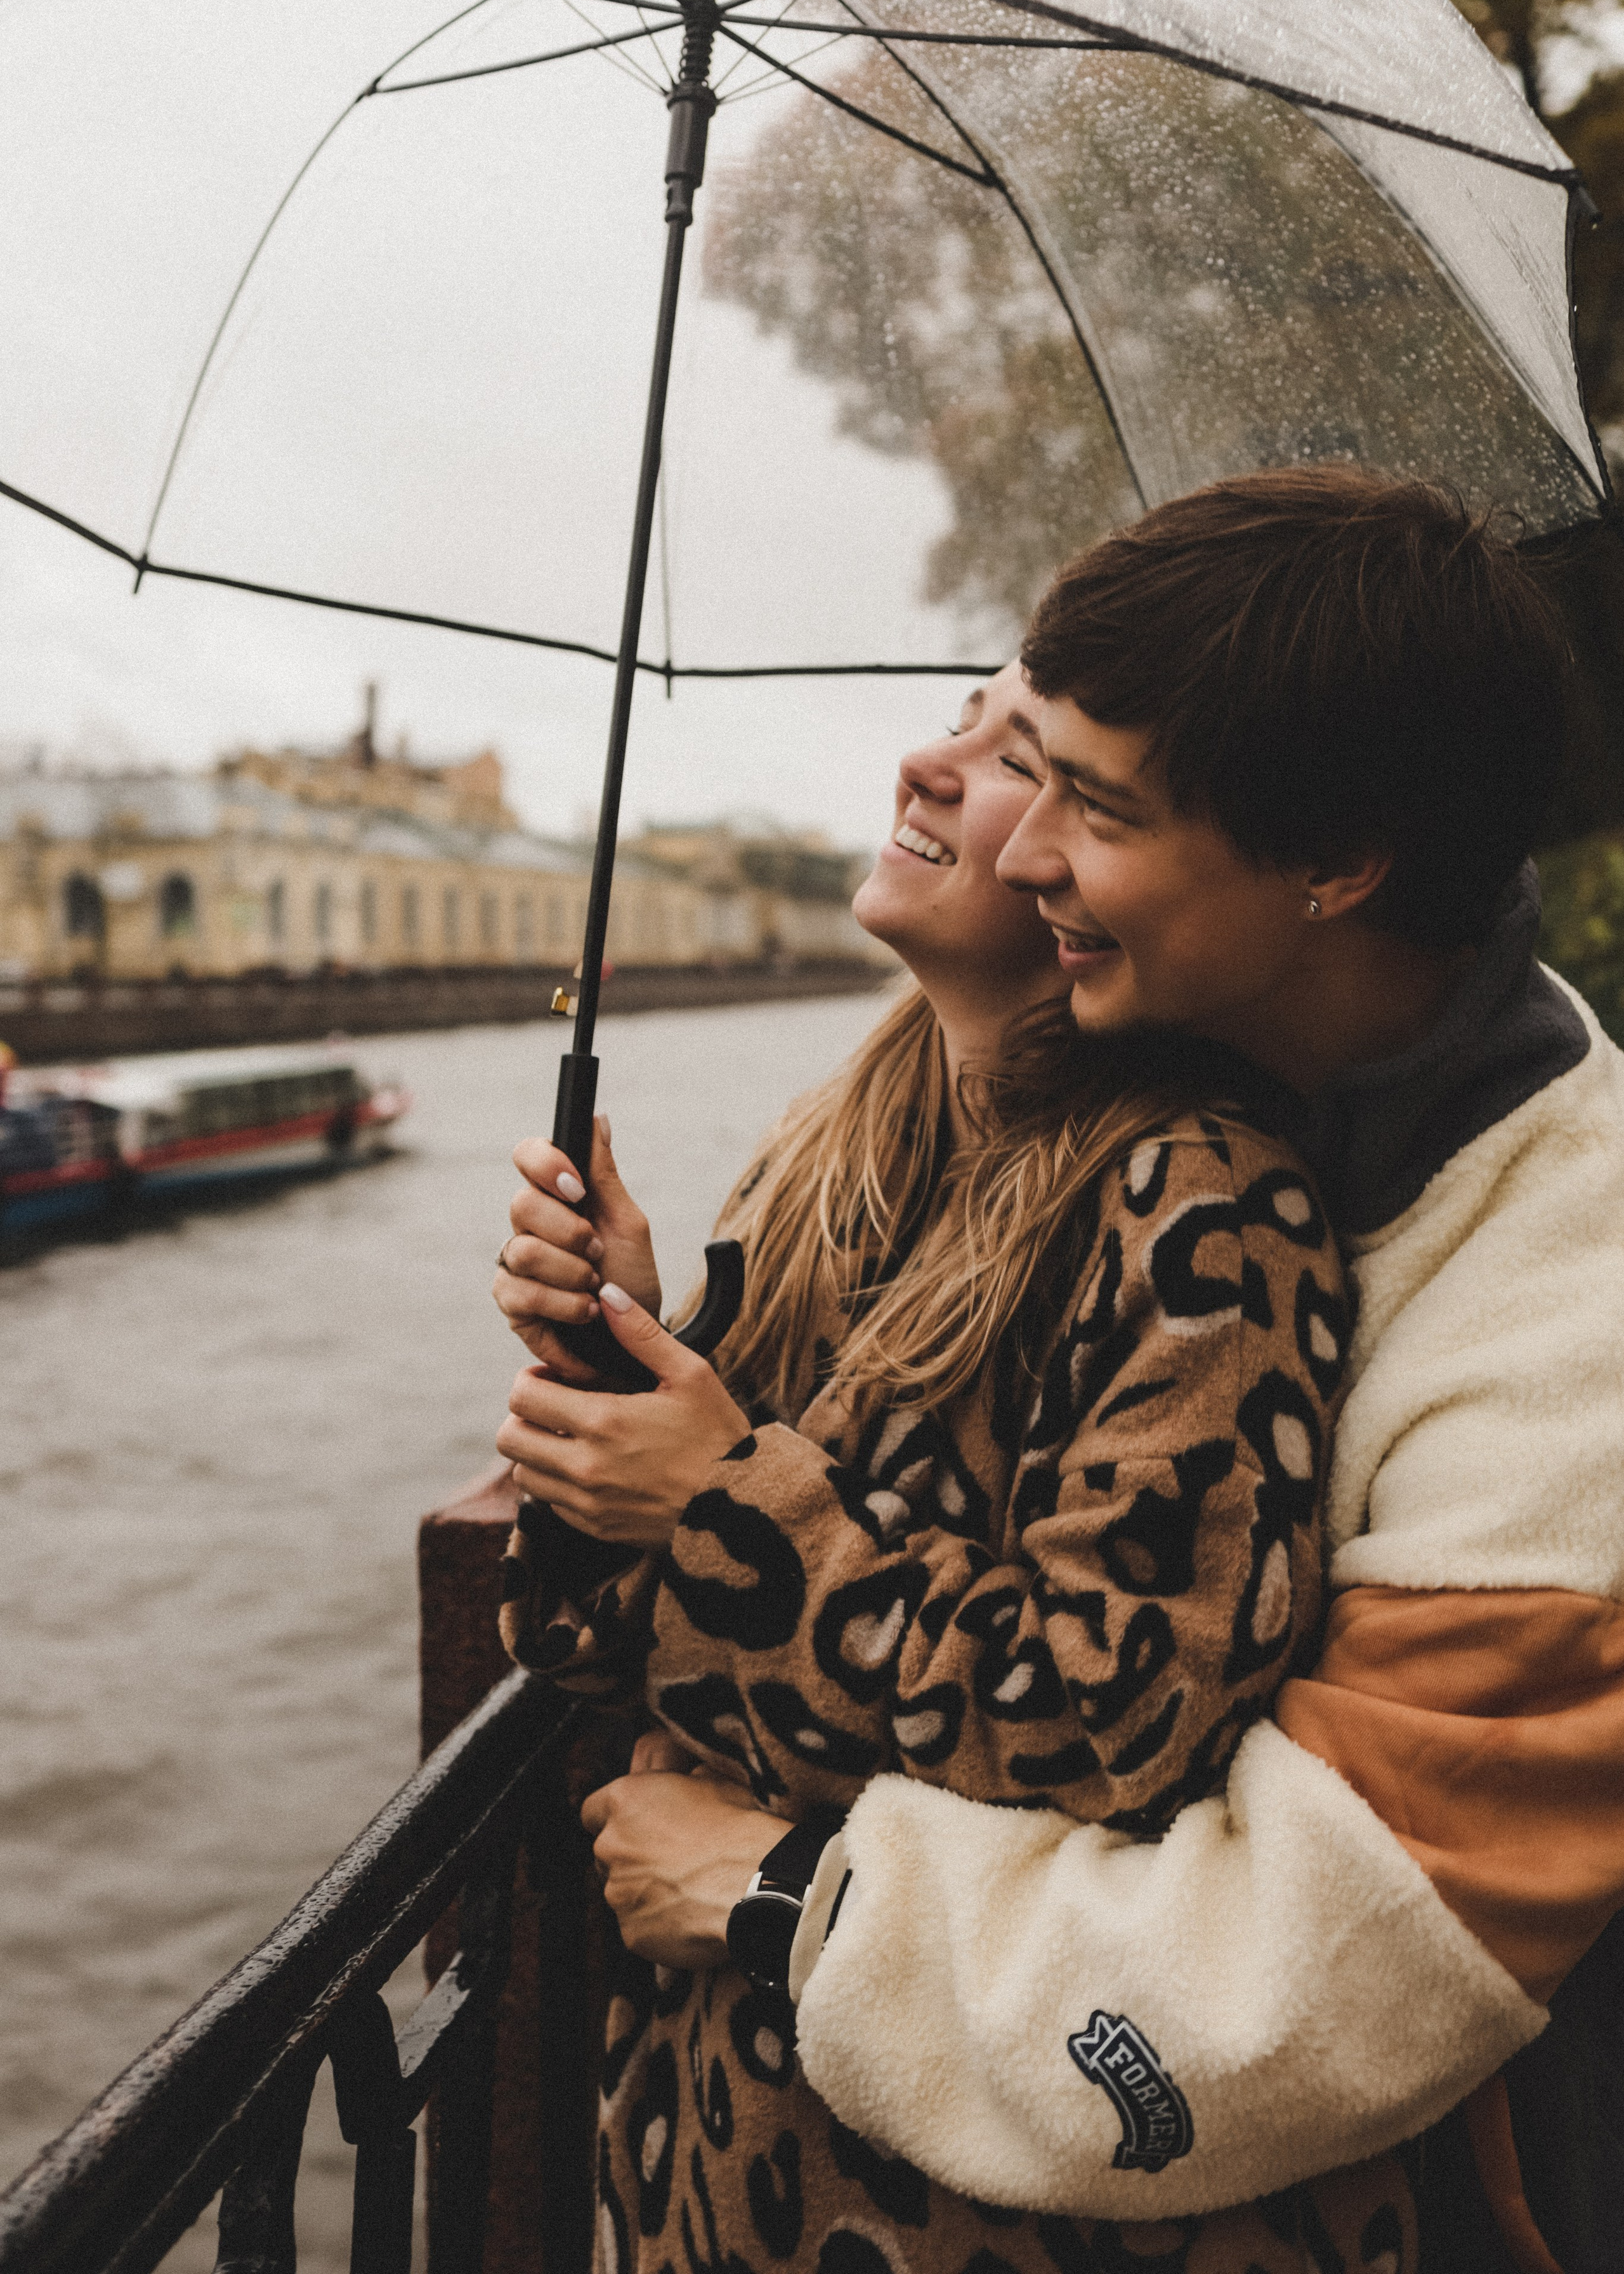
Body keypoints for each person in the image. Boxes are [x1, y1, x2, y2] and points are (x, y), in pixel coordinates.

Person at [571, 467, 1624, 2274]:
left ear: (1338, 868)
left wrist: (776, 1902)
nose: (1025, 848)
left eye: (1097, 805)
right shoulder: (1196, 1109)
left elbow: (1317, 1975)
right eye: (1027, 768)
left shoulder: (1571, 1333)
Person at [494, 659, 1366, 2268]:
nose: (927, 761)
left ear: (1099, 859)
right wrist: (614, 1364)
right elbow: (606, 1647)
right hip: (715, 2169)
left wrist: (715, 1500)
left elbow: (1114, 1717)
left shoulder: (1206, 1205)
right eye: (958, 718)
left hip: (981, 2203)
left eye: (1015, 755)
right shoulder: (838, 1143)